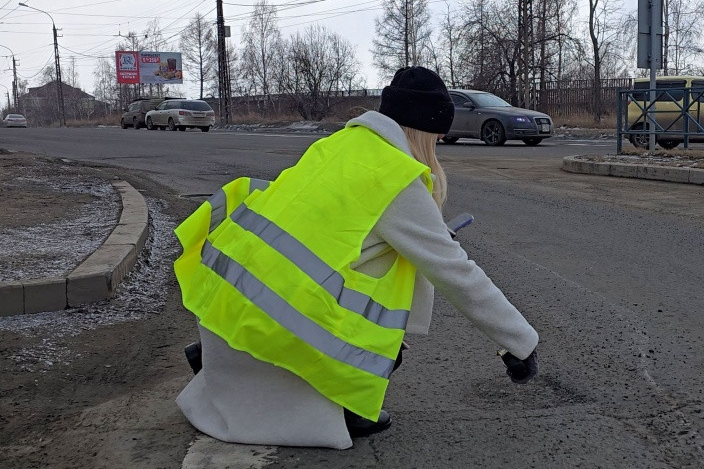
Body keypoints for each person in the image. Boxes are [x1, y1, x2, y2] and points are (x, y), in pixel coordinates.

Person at [173, 66, 540, 449]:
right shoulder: (395, 177)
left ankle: (230, 361)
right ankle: (343, 402)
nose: (440, 142)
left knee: (384, 263)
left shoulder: (339, 146)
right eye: (438, 136)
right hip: (275, 315)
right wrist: (520, 341)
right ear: (424, 129)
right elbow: (456, 272)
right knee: (382, 305)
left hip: (229, 302)